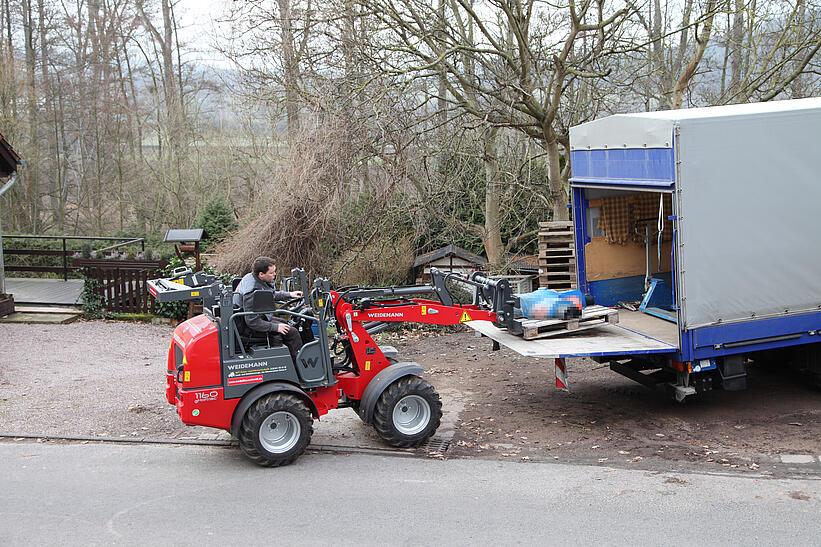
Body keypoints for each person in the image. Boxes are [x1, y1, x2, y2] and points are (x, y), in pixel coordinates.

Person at [234, 256, 304, 362]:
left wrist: (289, 294)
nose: (275, 274)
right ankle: (302, 367)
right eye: (271, 273)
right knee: (292, 332)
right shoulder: (251, 292)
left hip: (256, 317)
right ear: (261, 274)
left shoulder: (253, 278)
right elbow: (252, 322)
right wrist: (275, 327)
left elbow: (269, 294)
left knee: (286, 323)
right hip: (248, 327)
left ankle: (292, 359)